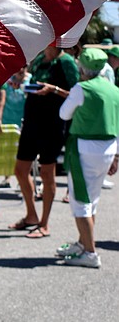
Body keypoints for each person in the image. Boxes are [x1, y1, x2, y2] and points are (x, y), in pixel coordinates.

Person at [54, 47, 119, 268]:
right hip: (108, 148)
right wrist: (116, 156)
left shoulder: (81, 88)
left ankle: (90, 253)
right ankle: (84, 243)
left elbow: (64, 113)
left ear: (82, 68)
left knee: (80, 201)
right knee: (92, 199)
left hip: (84, 148)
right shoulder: (114, 89)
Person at [7, 44, 79, 238]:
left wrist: (53, 89)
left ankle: (44, 224)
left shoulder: (66, 62)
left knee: (47, 173)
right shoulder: (39, 59)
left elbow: (76, 94)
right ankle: (31, 215)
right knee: (20, 170)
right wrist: (19, 84)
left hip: (53, 124)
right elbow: (31, 83)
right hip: (32, 121)